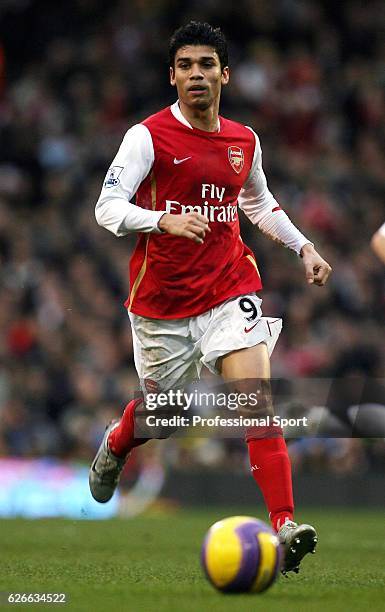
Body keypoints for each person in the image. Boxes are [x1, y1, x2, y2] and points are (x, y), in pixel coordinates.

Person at [89, 21, 332, 574]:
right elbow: (107, 210)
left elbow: (260, 203)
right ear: (171, 76)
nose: (195, 74)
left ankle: (284, 524)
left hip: (230, 286)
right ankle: (120, 439)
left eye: (206, 65)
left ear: (225, 73)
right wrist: (163, 221)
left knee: (255, 401)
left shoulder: (244, 140)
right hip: (162, 306)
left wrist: (303, 248)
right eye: (185, 66)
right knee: (164, 413)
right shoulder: (146, 136)